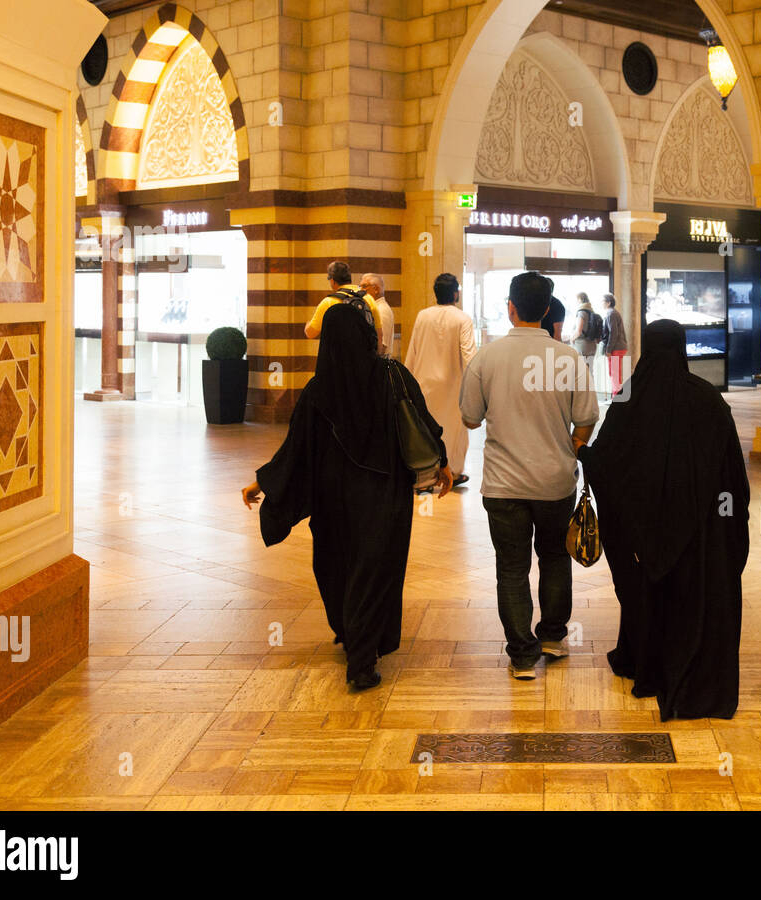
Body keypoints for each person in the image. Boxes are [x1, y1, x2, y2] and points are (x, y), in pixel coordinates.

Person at [242, 303, 452, 691]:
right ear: (367, 336)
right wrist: (442, 463)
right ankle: (363, 651)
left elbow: (295, 451)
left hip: (332, 498)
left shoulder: (318, 390)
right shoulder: (393, 375)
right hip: (382, 494)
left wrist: (263, 483)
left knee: (336, 566)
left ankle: (353, 636)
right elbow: (421, 422)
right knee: (375, 569)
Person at [578, 320, 749, 720]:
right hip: (699, 536)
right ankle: (688, 664)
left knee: (646, 594)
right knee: (691, 600)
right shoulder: (708, 400)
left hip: (642, 539)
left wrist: (583, 455)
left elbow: (606, 461)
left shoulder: (629, 398)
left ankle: (645, 659)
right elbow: (733, 481)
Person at [459, 271, 599, 680]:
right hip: (555, 482)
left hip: (503, 485)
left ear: (511, 308)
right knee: (555, 558)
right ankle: (553, 637)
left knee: (511, 567)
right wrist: (567, 447)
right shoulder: (568, 357)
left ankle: (522, 655)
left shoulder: (486, 357)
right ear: (547, 311)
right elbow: (586, 419)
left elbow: (469, 419)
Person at [405, 273, 477, 486]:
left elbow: (413, 351)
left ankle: (426, 473)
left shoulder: (422, 316)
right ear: (455, 294)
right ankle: (452, 473)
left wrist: (408, 381)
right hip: (452, 385)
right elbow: (469, 357)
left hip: (423, 382)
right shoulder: (462, 318)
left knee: (425, 430)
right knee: (453, 432)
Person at [305, 261, 386, 354]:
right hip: (364, 360)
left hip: (340, 361)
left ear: (332, 280)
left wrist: (307, 325)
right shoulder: (368, 299)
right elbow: (379, 333)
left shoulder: (329, 302)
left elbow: (310, 333)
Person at [360, 272, 396, 358]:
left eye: (364, 286)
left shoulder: (382, 310)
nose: (360, 290)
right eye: (360, 286)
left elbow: (382, 347)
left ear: (376, 289)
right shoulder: (374, 308)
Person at [563, 291, 600, 371]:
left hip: (582, 345)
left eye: (576, 300)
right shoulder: (591, 311)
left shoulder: (581, 312)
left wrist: (571, 339)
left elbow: (579, 330)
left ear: (579, 299)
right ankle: (591, 383)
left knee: (582, 371)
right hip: (592, 345)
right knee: (589, 370)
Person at [601, 293, 628, 395]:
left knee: (615, 373)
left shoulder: (611, 314)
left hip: (616, 348)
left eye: (602, 301)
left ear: (608, 303)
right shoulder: (612, 313)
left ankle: (616, 396)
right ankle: (615, 395)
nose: (601, 304)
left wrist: (608, 349)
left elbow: (614, 332)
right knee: (614, 372)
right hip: (618, 347)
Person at [539, 276, 566, 341]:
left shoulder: (557, 305)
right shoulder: (558, 305)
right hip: (542, 343)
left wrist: (555, 350)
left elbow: (557, 333)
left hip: (549, 344)